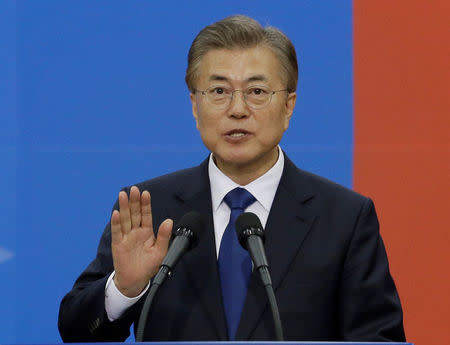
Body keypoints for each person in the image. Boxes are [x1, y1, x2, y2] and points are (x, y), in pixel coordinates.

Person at [58, 15, 405, 342]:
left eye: (256, 92)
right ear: (195, 106)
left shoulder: (344, 218)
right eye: (219, 91)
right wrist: (125, 288)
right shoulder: (150, 208)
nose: (237, 109)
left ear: (288, 106)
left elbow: (379, 339)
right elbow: (75, 331)